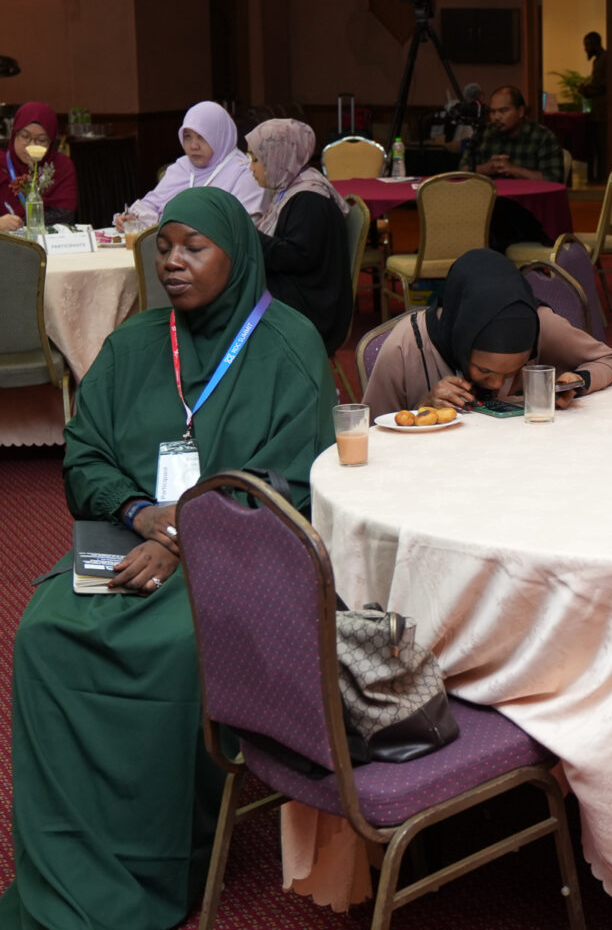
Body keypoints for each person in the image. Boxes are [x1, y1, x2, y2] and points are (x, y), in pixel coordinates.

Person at [0, 186, 336, 930]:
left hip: (243, 556)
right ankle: (67, 862)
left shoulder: (291, 346)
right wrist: (137, 512)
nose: (173, 262)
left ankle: (162, 860)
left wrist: (187, 535)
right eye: (165, 247)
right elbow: (84, 456)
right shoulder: (135, 344)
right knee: (45, 634)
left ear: (236, 254)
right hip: (133, 538)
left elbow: (298, 482)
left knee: (174, 648)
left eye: (194, 247)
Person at [363, 248, 612, 413]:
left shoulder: (539, 325)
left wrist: (576, 382)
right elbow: (373, 435)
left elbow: (609, 359)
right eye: (485, 371)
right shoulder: (407, 345)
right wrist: (423, 407)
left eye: (512, 372)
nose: (497, 384)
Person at [247, 118, 354, 356]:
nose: (250, 167)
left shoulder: (309, 200)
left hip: (312, 310)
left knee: (227, 298)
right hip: (298, 293)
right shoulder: (292, 187)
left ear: (279, 157)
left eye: (256, 159)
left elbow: (295, 257)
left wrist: (248, 234)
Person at [117, 101, 266, 229]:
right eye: (187, 137)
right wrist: (131, 219)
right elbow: (151, 206)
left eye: (202, 137)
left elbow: (243, 228)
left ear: (221, 136)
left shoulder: (245, 172)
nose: (193, 146)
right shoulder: (181, 168)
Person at [0, 101, 78, 230]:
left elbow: (65, 216)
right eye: (25, 136)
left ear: (51, 142)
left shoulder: (60, 166)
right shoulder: (1, 163)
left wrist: (21, 222)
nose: (31, 145)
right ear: (14, 134)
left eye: (41, 140)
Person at [465, 85, 563, 182]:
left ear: (520, 111)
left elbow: (554, 179)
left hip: (526, 192)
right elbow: (461, 170)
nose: (496, 117)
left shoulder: (543, 137)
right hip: (490, 192)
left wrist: (514, 170)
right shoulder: (483, 133)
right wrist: (487, 168)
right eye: (493, 112)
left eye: (503, 111)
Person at [578, 31, 608, 173]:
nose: (585, 49)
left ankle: (602, 175)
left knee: (602, 146)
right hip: (597, 112)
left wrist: (585, 90)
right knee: (596, 146)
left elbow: (602, 85)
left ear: (594, 44)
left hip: (604, 114)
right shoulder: (598, 60)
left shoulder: (605, 60)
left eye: (586, 46)